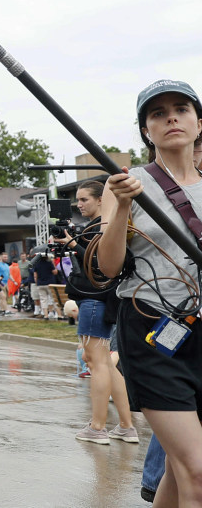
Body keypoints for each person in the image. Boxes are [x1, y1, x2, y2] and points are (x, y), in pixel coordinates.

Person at [97, 79, 202, 507]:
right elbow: (107, 265)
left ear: (199, 121)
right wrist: (122, 206)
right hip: (153, 331)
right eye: (157, 113)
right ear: (145, 130)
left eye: (181, 108)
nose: (171, 118)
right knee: (196, 469)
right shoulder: (126, 183)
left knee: (181, 474)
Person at [61, 180, 137, 445]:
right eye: (77, 201)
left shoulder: (102, 226)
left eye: (84, 200)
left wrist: (72, 244)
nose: (79, 205)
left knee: (96, 363)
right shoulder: (100, 226)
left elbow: (100, 265)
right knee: (105, 363)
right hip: (100, 300)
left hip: (94, 299)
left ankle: (98, 427)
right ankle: (126, 426)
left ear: (101, 199)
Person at [31, 251, 61, 319]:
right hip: (49, 283)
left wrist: (37, 283)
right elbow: (55, 272)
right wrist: (54, 265)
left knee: (43, 300)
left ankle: (45, 315)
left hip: (40, 284)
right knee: (54, 299)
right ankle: (59, 314)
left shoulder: (36, 264)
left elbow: (35, 275)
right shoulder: (49, 263)